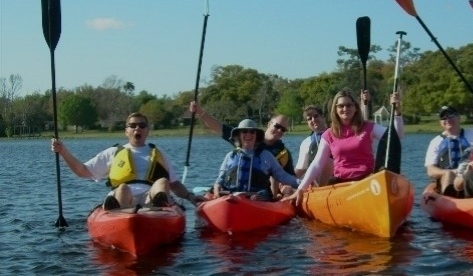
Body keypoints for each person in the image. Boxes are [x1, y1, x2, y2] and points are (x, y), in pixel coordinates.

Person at [50, 112, 204, 210]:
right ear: (126, 131)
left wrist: (190, 197)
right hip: (124, 197)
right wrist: (63, 151)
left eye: (142, 125)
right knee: (123, 188)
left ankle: (159, 208)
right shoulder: (114, 152)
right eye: (133, 126)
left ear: (147, 130)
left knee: (163, 182)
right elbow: (82, 171)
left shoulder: (158, 152)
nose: (137, 128)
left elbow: (175, 184)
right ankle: (120, 214)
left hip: (151, 197)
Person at [284, 88, 404, 203]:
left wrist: (397, 112)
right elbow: (317, 164)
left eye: (349, 105)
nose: (345, 109)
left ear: (355, 108)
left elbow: (394, 138)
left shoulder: (368, 127)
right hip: (341, 182)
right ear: (335, 109)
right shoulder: (329, 134)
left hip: (366, 180)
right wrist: (301, 189)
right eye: (341, 106)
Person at [188, 101, 296, 196]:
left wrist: (300, 184)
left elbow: (287, 177)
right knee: (213, 192)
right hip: (234, 194)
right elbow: (218, 127)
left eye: (283, 129)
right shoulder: (233, 154)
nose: (279, 131)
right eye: (277, 126)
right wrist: (200, 112)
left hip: (259, 195)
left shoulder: (282, 153)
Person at [213, 119, 300, 201]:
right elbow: (221, 177)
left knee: (259, 196)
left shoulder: (266, 156)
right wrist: (217, 185)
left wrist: (303, 183)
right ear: (239, 135)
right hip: (232, 197)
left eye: (252, 132)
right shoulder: (231, 156)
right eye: (244, 131)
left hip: (257, 199)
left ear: (256, 136)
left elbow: (283, 176)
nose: (248, 134)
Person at [424, 106, 473, 196]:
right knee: (448, 174)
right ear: (441, 123)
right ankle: (449, 200)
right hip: (448, 179)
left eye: (451, 115)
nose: (447, 119)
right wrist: (454, 172)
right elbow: (431, 171)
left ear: (459, 118)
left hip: (470, 175)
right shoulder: (436, 142)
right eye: (444, 117)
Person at [294, 105, 332, 186]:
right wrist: (285, 180)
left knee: (328, 162)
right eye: (309, 119)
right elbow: (301, 169)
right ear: (307, 123)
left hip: (339, 175)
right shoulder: (306, 143)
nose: (313, 120)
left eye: (316, 116)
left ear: (322, 117)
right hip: (320, 181)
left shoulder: (337, 133)